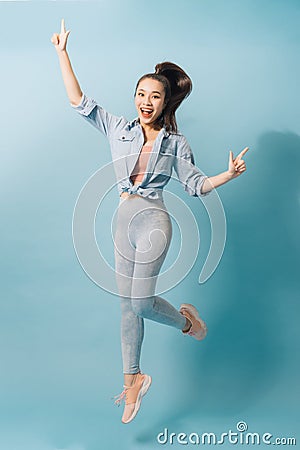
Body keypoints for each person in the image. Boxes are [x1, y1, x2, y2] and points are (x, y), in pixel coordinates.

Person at [51, 19, 249, 424]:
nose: (145, 100)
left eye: (154, 96)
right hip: (121, 219)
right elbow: (79, 101)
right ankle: (133, 381)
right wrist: (62, 53)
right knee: (127, 305)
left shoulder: (176, 144)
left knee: (140, 303)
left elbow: (196, 186)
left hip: (154, 219)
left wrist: (227, 174)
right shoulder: (117, 129)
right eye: (140, 93)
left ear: (166, 102)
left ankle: (186, 322)